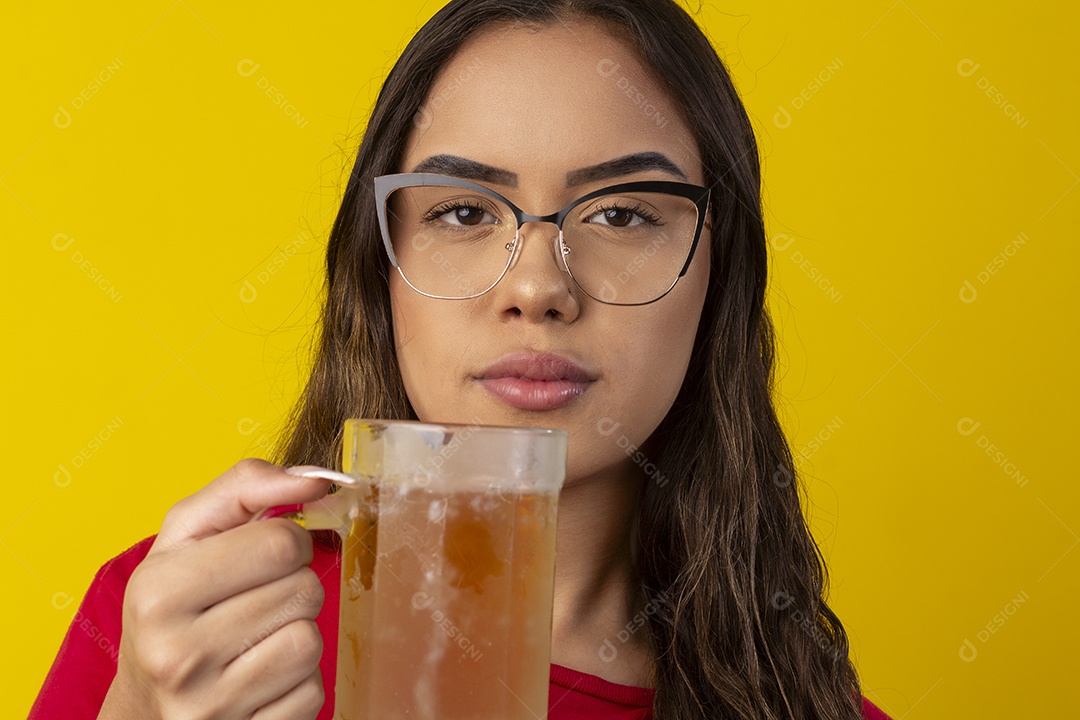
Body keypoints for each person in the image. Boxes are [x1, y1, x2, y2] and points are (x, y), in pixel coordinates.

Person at [30, 1, 892, 718]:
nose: (538, 287)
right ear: (379, 269)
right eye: (465, 213)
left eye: (623, 214)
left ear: (720, 275)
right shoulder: (180, 639)